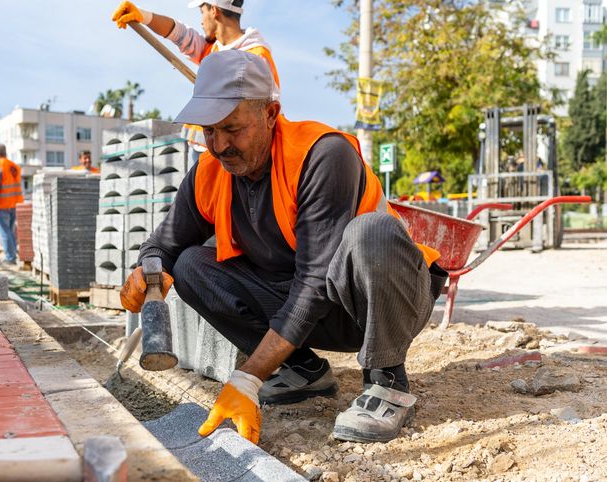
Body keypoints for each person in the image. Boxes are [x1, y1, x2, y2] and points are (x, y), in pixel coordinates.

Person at [120, 51, 447, 445]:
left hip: (378, 302)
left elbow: (313, 282)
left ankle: (387, 382)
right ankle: (302, 371)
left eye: (232, 129)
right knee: (190, 264)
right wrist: (148, 270)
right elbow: (164, 243)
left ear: (271, 114)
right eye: (209, 130)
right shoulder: (210, 171)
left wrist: (247, 378)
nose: (220, 145)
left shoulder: (322, 155)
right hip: (308, 306)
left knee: (370, 232)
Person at [112, 0, 280, 163]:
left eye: (202, 11)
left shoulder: (256, 56)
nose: (201, 20)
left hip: (232, 153)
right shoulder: (212, 49)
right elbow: (180, 33)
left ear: (214, 10)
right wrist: (143, 16)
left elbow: (267, 110)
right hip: (202, 150)